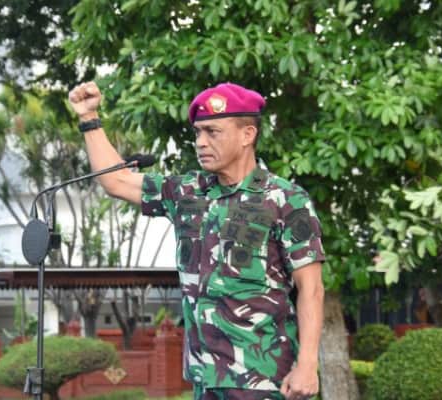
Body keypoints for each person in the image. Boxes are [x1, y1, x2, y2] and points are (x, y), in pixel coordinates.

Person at [69, 82, 325, 400]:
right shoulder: (188, 193)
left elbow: (311, 288)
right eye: (198, 133)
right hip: (204, 379)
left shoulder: (285, 199)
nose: (201, 142)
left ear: (247, 134)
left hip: (263, 378)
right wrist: (89, 118)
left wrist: (308, 364)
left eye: (213, 132)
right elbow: (116, 181)